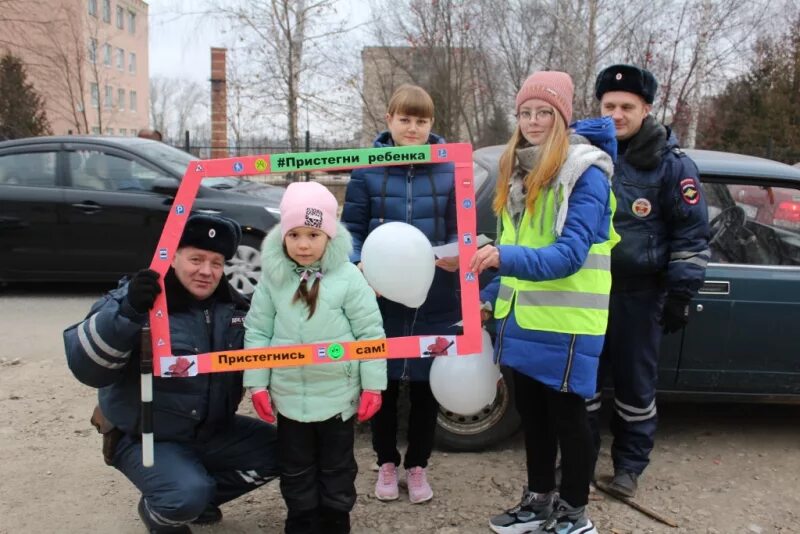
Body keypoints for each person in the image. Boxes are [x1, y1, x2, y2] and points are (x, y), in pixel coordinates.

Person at [64, 214, 279, 534]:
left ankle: (195, 494)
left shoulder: (235, 310)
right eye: (196, 259)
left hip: (212, 431)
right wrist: (126, 313)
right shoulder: (139, 300)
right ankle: (166, 507)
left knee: (289, 451)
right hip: (146, 436)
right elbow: (87, 367)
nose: (206, 271)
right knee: (184, 496)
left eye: (216, 262)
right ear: (172, 256)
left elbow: (270, 360)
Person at [472, 71, 618, 534]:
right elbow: (518, 247)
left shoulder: (585, 172)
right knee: (533, 417)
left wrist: (500, 257)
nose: (533, 121)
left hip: (569, 321)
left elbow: (570, 254)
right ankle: (538, 501)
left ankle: (575, 512)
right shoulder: (519, 170)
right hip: (523, 319)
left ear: (563, 116)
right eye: (525, 112)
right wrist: (491, 298)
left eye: (544, 112)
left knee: (571, 420)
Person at [588, 64, 710, 498]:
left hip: (639, 296)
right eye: (609, 106)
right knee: (583, 382)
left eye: (626, 106)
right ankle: (580, 457)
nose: (616, 114)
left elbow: (691, 235)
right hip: (586, 292)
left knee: (635, 389)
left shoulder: (672, 165)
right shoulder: (585, 155)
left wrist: (680, 293)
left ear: (646, 109)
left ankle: (628, 468)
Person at [243, 181, 387, 534]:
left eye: (313, 233)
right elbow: (258, 332)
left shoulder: (350, 278)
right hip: (290, 397)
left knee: (337, 466)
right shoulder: (272, 280)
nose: (303, 244)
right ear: (282, 237)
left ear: (329, 235)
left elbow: (370, 334)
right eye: (294, 235)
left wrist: (373, 387)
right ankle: (302, 520)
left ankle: (336, 519)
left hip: (337, 397)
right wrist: (257, 384)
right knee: (295, 466)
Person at [341, 83, 460, 504]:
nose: (413, 128)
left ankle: (419, 466)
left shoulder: (450, 168)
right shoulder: (367, 169)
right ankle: (387, 462)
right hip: (380, 296)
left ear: (432, 124)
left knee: (429, 387)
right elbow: (352, 227)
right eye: (405, 119)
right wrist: (356, 264)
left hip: (436, 294)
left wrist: (454, 254)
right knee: (384, 383)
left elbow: (457, 229)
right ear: (389, 119)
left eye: (422, 121)